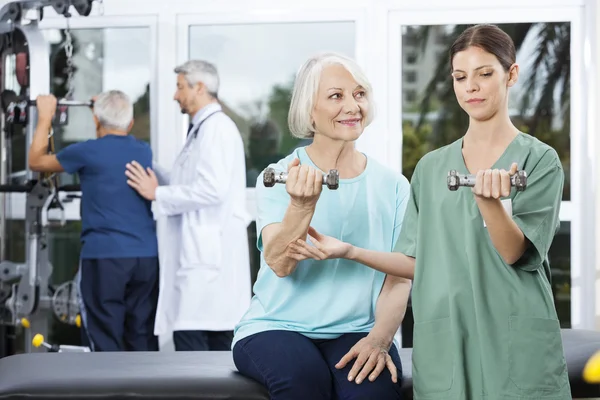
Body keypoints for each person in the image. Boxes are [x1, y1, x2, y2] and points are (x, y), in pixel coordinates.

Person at [293, 25, 571, 399]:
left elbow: (514, 253)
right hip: (446, 335)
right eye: (460, 77)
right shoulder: (431, 168)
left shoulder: (540, 160)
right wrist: (349, 251)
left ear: (511, 74)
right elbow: (414, 261)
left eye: (485, 73)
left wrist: (491, 203)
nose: (470, 86)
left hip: (513, 334)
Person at [231, 52, 412, 400]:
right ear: (309, 111)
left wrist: (380, 339)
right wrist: (302, 204)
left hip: (357, 329)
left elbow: (400, 277)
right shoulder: (279, 177)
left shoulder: (393, 186)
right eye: (336, 96)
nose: (352, 105)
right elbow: (280, 264)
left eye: (359, 94)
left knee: (371, 393)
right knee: (303, 384)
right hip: (278, 327)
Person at [125, 60, 252, 352]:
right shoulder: (203, 129)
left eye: (180, 87)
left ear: (200, 87)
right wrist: (150, 168)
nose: (175, 95)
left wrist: (158, 194)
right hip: (203, 263)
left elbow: (212, 190)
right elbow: (191, 180)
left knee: (198, 353)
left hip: (207, 260)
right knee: (203, 344)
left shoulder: (216, 129)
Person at [28, 90, 159, 352]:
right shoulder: (144, 150)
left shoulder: (87, 151)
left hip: (105, 259)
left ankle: (108, 393)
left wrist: (45, 117)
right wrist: (98, 112)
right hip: (145, 260)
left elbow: (36, 161)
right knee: (140, 337)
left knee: (104, 339)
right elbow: (110, 140)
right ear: (130, 123)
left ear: (96, 121)